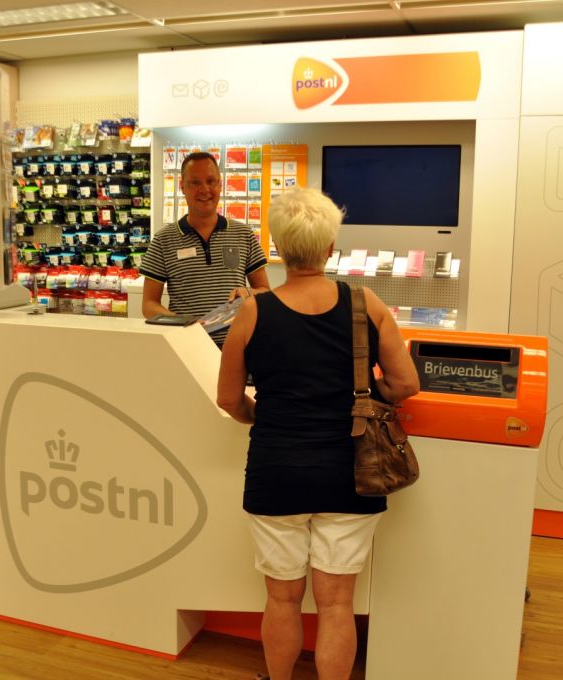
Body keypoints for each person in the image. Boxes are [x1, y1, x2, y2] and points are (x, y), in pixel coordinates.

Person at [216, 188, 419, 680]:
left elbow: (229, 399)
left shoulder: (253, 312)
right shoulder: (365, 304)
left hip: (276, 470)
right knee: (336, 604)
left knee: (282, 599)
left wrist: (259, 416)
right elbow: (405, 384)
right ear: (330, 247)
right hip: (351, 472)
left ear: (279, 248)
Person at [139, 151, 270, 345]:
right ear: (182, 186)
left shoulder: (244, 234)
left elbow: (265, 290)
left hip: (238, 347)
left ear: (220, 184)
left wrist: (248, 293)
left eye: (210, 181)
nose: (204, 189)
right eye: (195, 183)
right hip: (186, 347)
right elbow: (149, 305)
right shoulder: (163, 240)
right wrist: (184, 323)